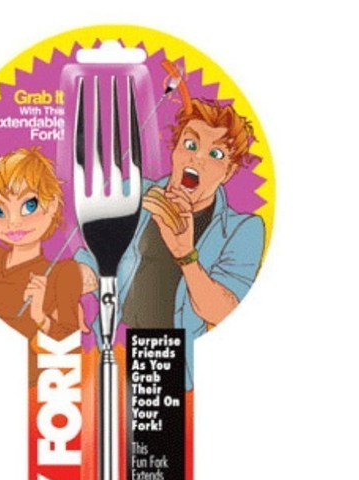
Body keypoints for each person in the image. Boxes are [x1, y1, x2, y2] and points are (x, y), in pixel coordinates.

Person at [76, 98, 265, 388]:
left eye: (215, 153)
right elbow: (93, 258)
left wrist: (185, 254)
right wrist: (68, 290)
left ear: (228, 173)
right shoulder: (132, 193)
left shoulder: (243, 230)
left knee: (149, 420)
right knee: (95, 413)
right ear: (175, 150)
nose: (197, 158)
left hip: (165, 353)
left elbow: (223, 312)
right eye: (190, 144)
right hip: (108, 341)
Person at [0, 148, 92, 364]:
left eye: (29, 205)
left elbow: (69, 344)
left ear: (52, 204)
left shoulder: (63, 273)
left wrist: (40, 317)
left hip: (38, 375)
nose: (13, 222)